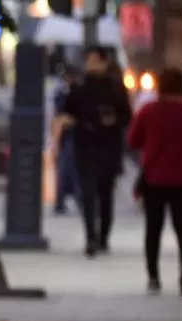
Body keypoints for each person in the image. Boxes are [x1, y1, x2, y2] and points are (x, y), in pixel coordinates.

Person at [128, 68, 182, 296]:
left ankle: (153, 277)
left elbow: (133, 140)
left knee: (153, 229)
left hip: (154, 179)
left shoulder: (148, 111)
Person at [56, 46, 133, 256]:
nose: (91, 64)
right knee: (87, 194)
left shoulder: (116, 88)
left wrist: (114, 120)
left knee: (105, 194)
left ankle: (103, 236)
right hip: (85, 146)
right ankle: (90, 236)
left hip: (108, 147)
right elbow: (66, 113)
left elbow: (127, 116)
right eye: (88, 60)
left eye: (94, 60)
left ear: (104, 62)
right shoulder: (79, 87)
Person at [52, 68, 80, 215]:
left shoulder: (67, 94)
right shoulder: (62, 94)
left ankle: (63, 201)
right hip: (67, 138)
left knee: (69, 172)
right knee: (66, 171)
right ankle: (62, 202)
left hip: (70, 138)